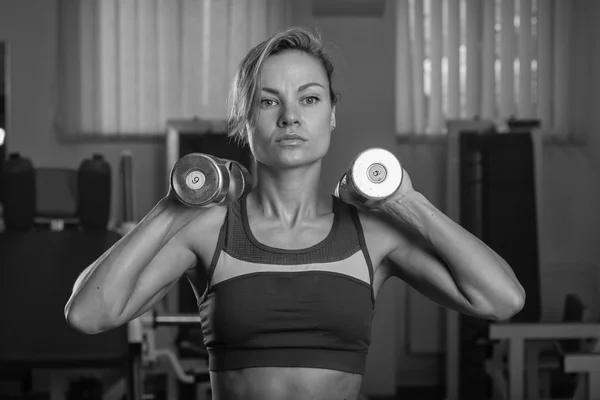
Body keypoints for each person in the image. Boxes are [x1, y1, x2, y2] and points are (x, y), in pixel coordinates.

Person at [65, 27, 525, 400]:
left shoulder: (372, 234)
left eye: (309, 98)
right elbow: (88, 315)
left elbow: (502, 300)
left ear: (331, 114)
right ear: (246, 122)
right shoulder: (210, 231)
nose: (289, 117)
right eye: (269, 101)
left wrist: (404, 200)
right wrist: (176, 204)